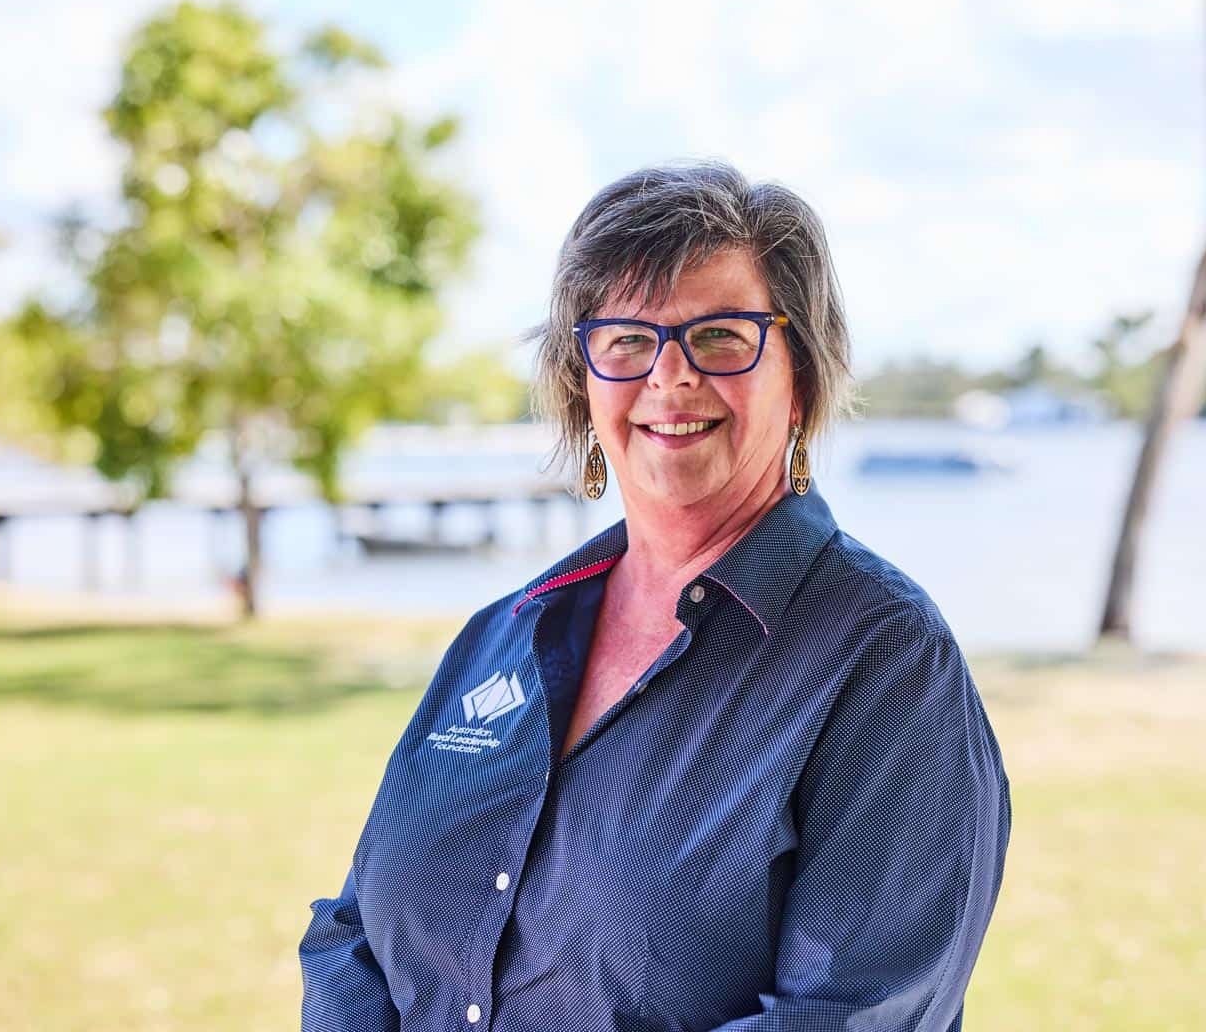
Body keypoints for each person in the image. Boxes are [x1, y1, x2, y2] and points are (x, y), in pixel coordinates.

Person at [299, 160, 1012, 1031]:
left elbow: (851, 1016)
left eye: (721, 335)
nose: (669, 378)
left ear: (802, 378)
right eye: (627, 339)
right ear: (582, 381)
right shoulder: (507, 632)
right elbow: (349, 935)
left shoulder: (884, 660)